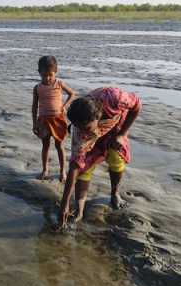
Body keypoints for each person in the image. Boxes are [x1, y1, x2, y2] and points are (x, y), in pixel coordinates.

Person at [58, 87, 141, 228]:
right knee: (84, 168)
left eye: (86, 127)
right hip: (95, 132)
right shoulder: (81, 132)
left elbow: (137, 105)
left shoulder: (115, 98)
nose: (83, 132)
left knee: (116, 158)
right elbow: (74, 167)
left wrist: (121, 134)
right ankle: (80, 209)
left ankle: (115, 193)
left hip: (116, 125)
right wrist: (64, 204)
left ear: (97, 117)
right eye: (79, 128)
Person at [32, 56, 75, 182]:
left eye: (50, 75)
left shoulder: (59, 84)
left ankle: (63, 171)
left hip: (58, 119)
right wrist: (34, 123)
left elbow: (72, 94)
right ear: (39, 72)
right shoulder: (37, 88)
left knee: (59, 146)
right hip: (43, 121)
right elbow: (34, 106)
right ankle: (45, 169)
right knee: (45, 146)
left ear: (56, 71)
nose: (47, 78)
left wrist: (65, 106)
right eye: (44, 75)